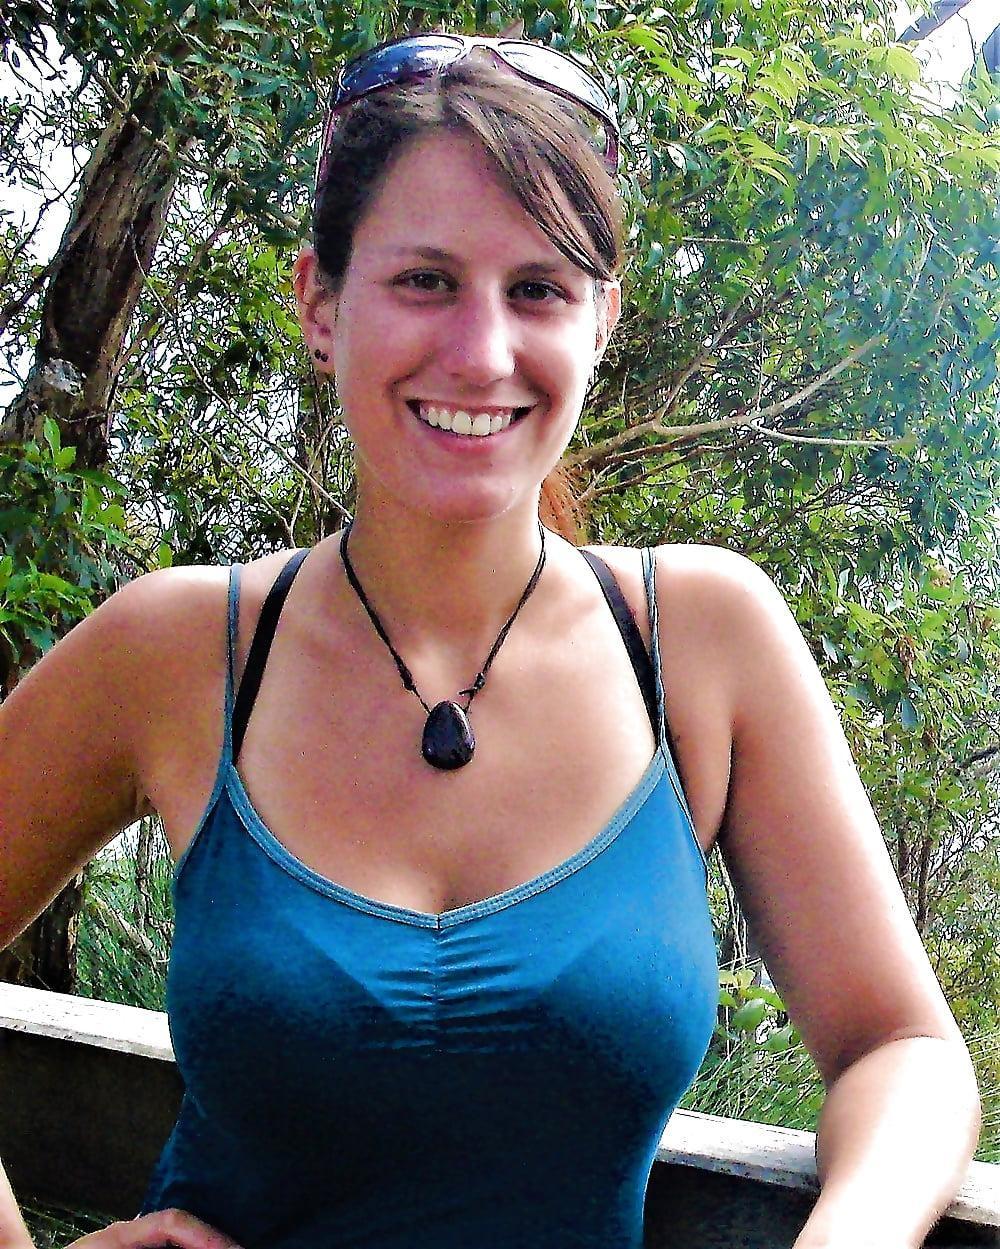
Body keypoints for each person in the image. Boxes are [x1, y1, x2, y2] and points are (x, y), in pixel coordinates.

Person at [0, 31, 982, 1249]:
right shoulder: (181, 650)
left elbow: (901, 1048)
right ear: (319, 302)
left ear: (602, 318)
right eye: (424, 280)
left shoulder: (698, 642)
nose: (481, 353)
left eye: (537, 289)